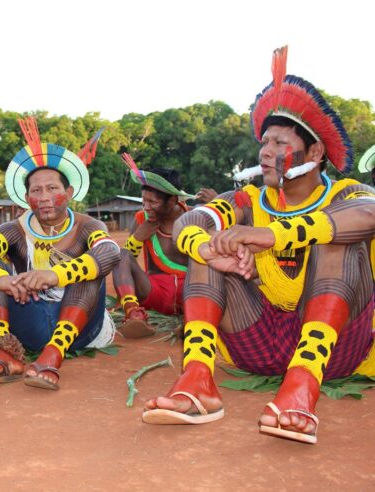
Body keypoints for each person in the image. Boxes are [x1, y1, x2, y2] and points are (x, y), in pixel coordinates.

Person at [142, 47, 375, 445]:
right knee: (209, 246)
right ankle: (198, 377)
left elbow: (369, 215)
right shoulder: (247, 200)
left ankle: (302, 386)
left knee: (334, 235)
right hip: (259, 341)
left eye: (280, 143)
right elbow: (189, 221)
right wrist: (208, 247)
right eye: (264, 142)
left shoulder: (347, 193)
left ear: (315, 153)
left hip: (333, 351)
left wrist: (277, 234)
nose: (266, 152)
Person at [0, 117, 119, 390]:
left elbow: (110, 252)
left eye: (52, 188)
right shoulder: (14, 229)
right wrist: (3, 281)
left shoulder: (88, 226)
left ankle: (53, 355)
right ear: (26, 197)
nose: (44, 196)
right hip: (28, 326)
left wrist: (54, 275)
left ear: (68, 192)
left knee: (90, 268)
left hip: (80, 328)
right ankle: (3, 350)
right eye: (36, 190)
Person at [113, 157, 193, 337]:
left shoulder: (195, 218)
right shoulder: (142, 219)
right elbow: (126, 262)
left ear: (172, 200)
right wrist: (137, 238)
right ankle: (134, 314)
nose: (146, 207)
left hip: (189, 292)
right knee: (120, 255)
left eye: (153, 202)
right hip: (153, 290)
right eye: (144, 201)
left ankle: (193, 321)